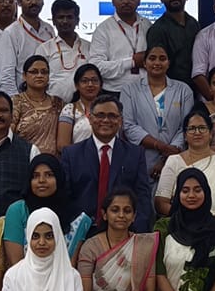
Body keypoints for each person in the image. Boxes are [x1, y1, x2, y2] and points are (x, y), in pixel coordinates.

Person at [60, 95, 155, 229]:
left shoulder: (135, 154)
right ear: (90, 119)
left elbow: (143, 196)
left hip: (124, 230)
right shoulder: (72, 154)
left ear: (120, 121)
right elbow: (65, 197)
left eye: (112, 116)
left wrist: (137, 230)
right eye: (100, 115)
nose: (105, 120)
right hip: (82, 231)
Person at [1, 155, 93, 270]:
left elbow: (71, 267)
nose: (41, 180)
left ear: (59, 178)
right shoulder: (18, 211)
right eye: (35, 176)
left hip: (63, 279)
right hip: (24, 279)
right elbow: (16, 264)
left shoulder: (78, 218)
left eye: (49, 175)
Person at [156, 107, 215, 219]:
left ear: (211, 134)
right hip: (183, 225)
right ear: (185, 136)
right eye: (192, 128)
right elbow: (161, 203)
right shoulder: (174, 161)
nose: (197, 132)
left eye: (202, 128)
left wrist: (214, 221)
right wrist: (187, 221)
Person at [122, 43, 194, 165]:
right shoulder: (129, 90)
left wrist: (169, 154)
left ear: (169, 63)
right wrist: (159, 146)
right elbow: (128, 126)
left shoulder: (183, 90)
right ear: (144, 63)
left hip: (175, 158)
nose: (157, 62)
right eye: (152, 58)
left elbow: (187, 126)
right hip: (141, 157)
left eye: (162, 58)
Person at [87, 0, 152, 94]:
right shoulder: (103, 29)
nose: (126, 1)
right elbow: (96, 67)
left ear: (139, 0)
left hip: (146, 91)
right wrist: (132, 62)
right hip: (115, 93)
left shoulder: (148, 25)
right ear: (113, 1)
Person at [0, 0, 57, 95]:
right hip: (22, 97)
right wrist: (17, 103)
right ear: (19, 2)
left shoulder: (49, 30)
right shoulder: (10, 33)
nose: (33, 2)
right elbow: (6, 77)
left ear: (43, 1)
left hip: (47, 97)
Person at [144, 0, 201, 87]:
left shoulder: (194, 24)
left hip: (196, 88)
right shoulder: (157, 29)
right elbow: (157, 66)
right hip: (170, 89)